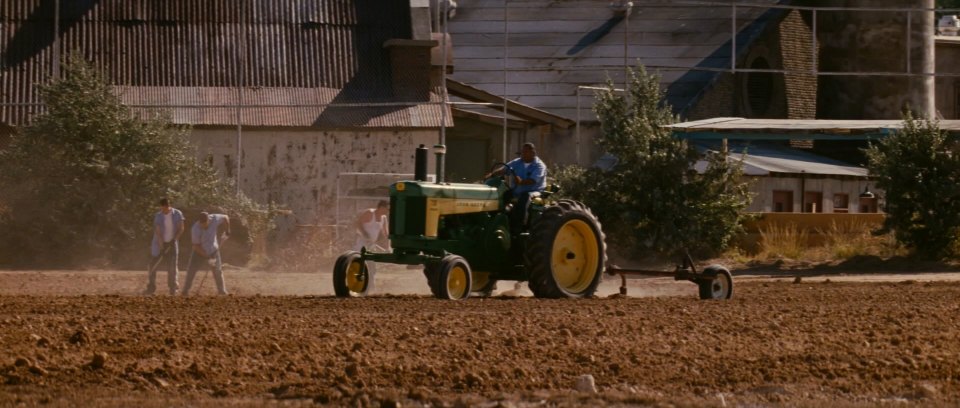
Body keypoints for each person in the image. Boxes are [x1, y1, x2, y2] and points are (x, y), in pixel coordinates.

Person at [485, 142, 546, 228]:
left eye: (526, 152)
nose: (523, 154)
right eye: (522, 152)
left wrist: (521, 182)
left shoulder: (539, 166)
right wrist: (491, 175)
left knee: (525, 198)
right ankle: (500, 220)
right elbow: (504, 170)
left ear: (533, 153)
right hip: (517, 191)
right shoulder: (517, 162)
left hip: (534, 192)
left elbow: (533, 180)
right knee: (503, 196)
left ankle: (521, 225)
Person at [181, 211, 231, 296]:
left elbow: (226, 217)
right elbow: (196, 246)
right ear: (199, 221)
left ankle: (222, 291)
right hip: (199, 252)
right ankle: (185, 290)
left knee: (217, 271)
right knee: (191, 270)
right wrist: (208, 256)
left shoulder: (214, 219)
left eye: (205, 223)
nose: (203, 226)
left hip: (213, 250)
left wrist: (227, 230)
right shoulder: (195, 229)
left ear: (209, 220)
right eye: (201, 224)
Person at [144, 197, 185, 295]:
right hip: (159, 243)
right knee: (153, 265)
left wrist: (174, 239)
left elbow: (181, 228)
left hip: (172, 243)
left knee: (172, 267)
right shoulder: (158, 216)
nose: (162, 210)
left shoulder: (177, 214)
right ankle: (151, 287)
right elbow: (158, 232)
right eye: (161, 208)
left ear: (168, 206)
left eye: (164, 208)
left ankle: (173, 288)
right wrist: (162, 247)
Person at [352, 200, 390, 293]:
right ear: (381, 207)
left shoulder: (384, 218)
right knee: (360, 264)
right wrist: (365, 234)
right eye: (387, 209)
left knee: (372, 267)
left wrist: (388, 246)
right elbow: (357, 224)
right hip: (361, 243)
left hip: (371, 245)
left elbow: (386, 233)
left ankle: (371, 288)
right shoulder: (370, 213)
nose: (387, 211)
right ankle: (356, 285)